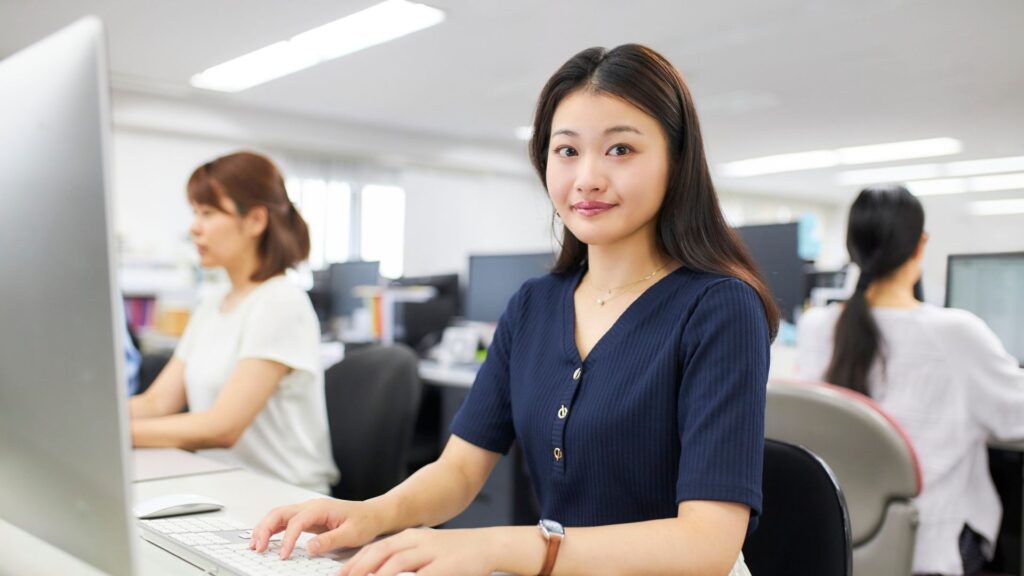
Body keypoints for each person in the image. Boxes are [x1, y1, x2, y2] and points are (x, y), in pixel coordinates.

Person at [251, 44, 778, 576]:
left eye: (620, 150)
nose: (588, 177)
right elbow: (459, 470)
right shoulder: (535, 304)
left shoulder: (719, 308)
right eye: (567, 151)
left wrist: (500, 547)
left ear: (677, 160)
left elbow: (706, 544)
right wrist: (368, 515)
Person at [798, 184, 1024, 576]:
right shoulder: (957, 333)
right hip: (931, 553)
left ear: (852, 249)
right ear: (921, 245)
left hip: (839, 548)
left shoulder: (818, 326)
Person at [129, 151, 339, 494]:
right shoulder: (212, 304)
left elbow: (221, 428)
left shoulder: (280, 300)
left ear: (255, 220)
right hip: (221, 485)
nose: (194, 227)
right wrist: (87, 417)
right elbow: (157, 403)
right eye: (195, 213)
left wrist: (107, 431)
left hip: (284, 497)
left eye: (208, 213)